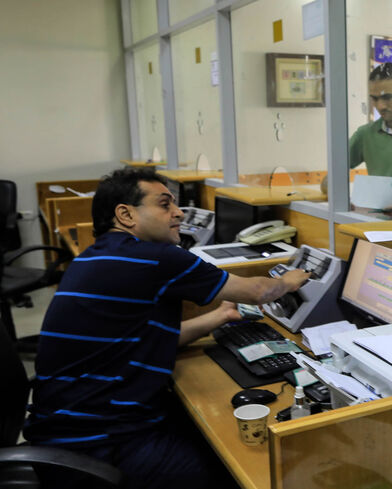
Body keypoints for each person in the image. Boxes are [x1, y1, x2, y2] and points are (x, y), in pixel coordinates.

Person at [24, 168, 310, 489]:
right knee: (235, 469)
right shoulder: (156, 258)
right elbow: (260, 292)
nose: (178, 213)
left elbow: (141, 340)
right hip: (98, 444)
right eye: (164, 205)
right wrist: (291, 278)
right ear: (126, 214)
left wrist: (217, 318)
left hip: (63, 428)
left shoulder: (98, 256)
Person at [320, 63, 392, 195]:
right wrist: (344, 198)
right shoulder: (366, 135)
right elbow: (328, 181)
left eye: (387, 97)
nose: (380, 106)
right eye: (374, 99)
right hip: (384, 215)